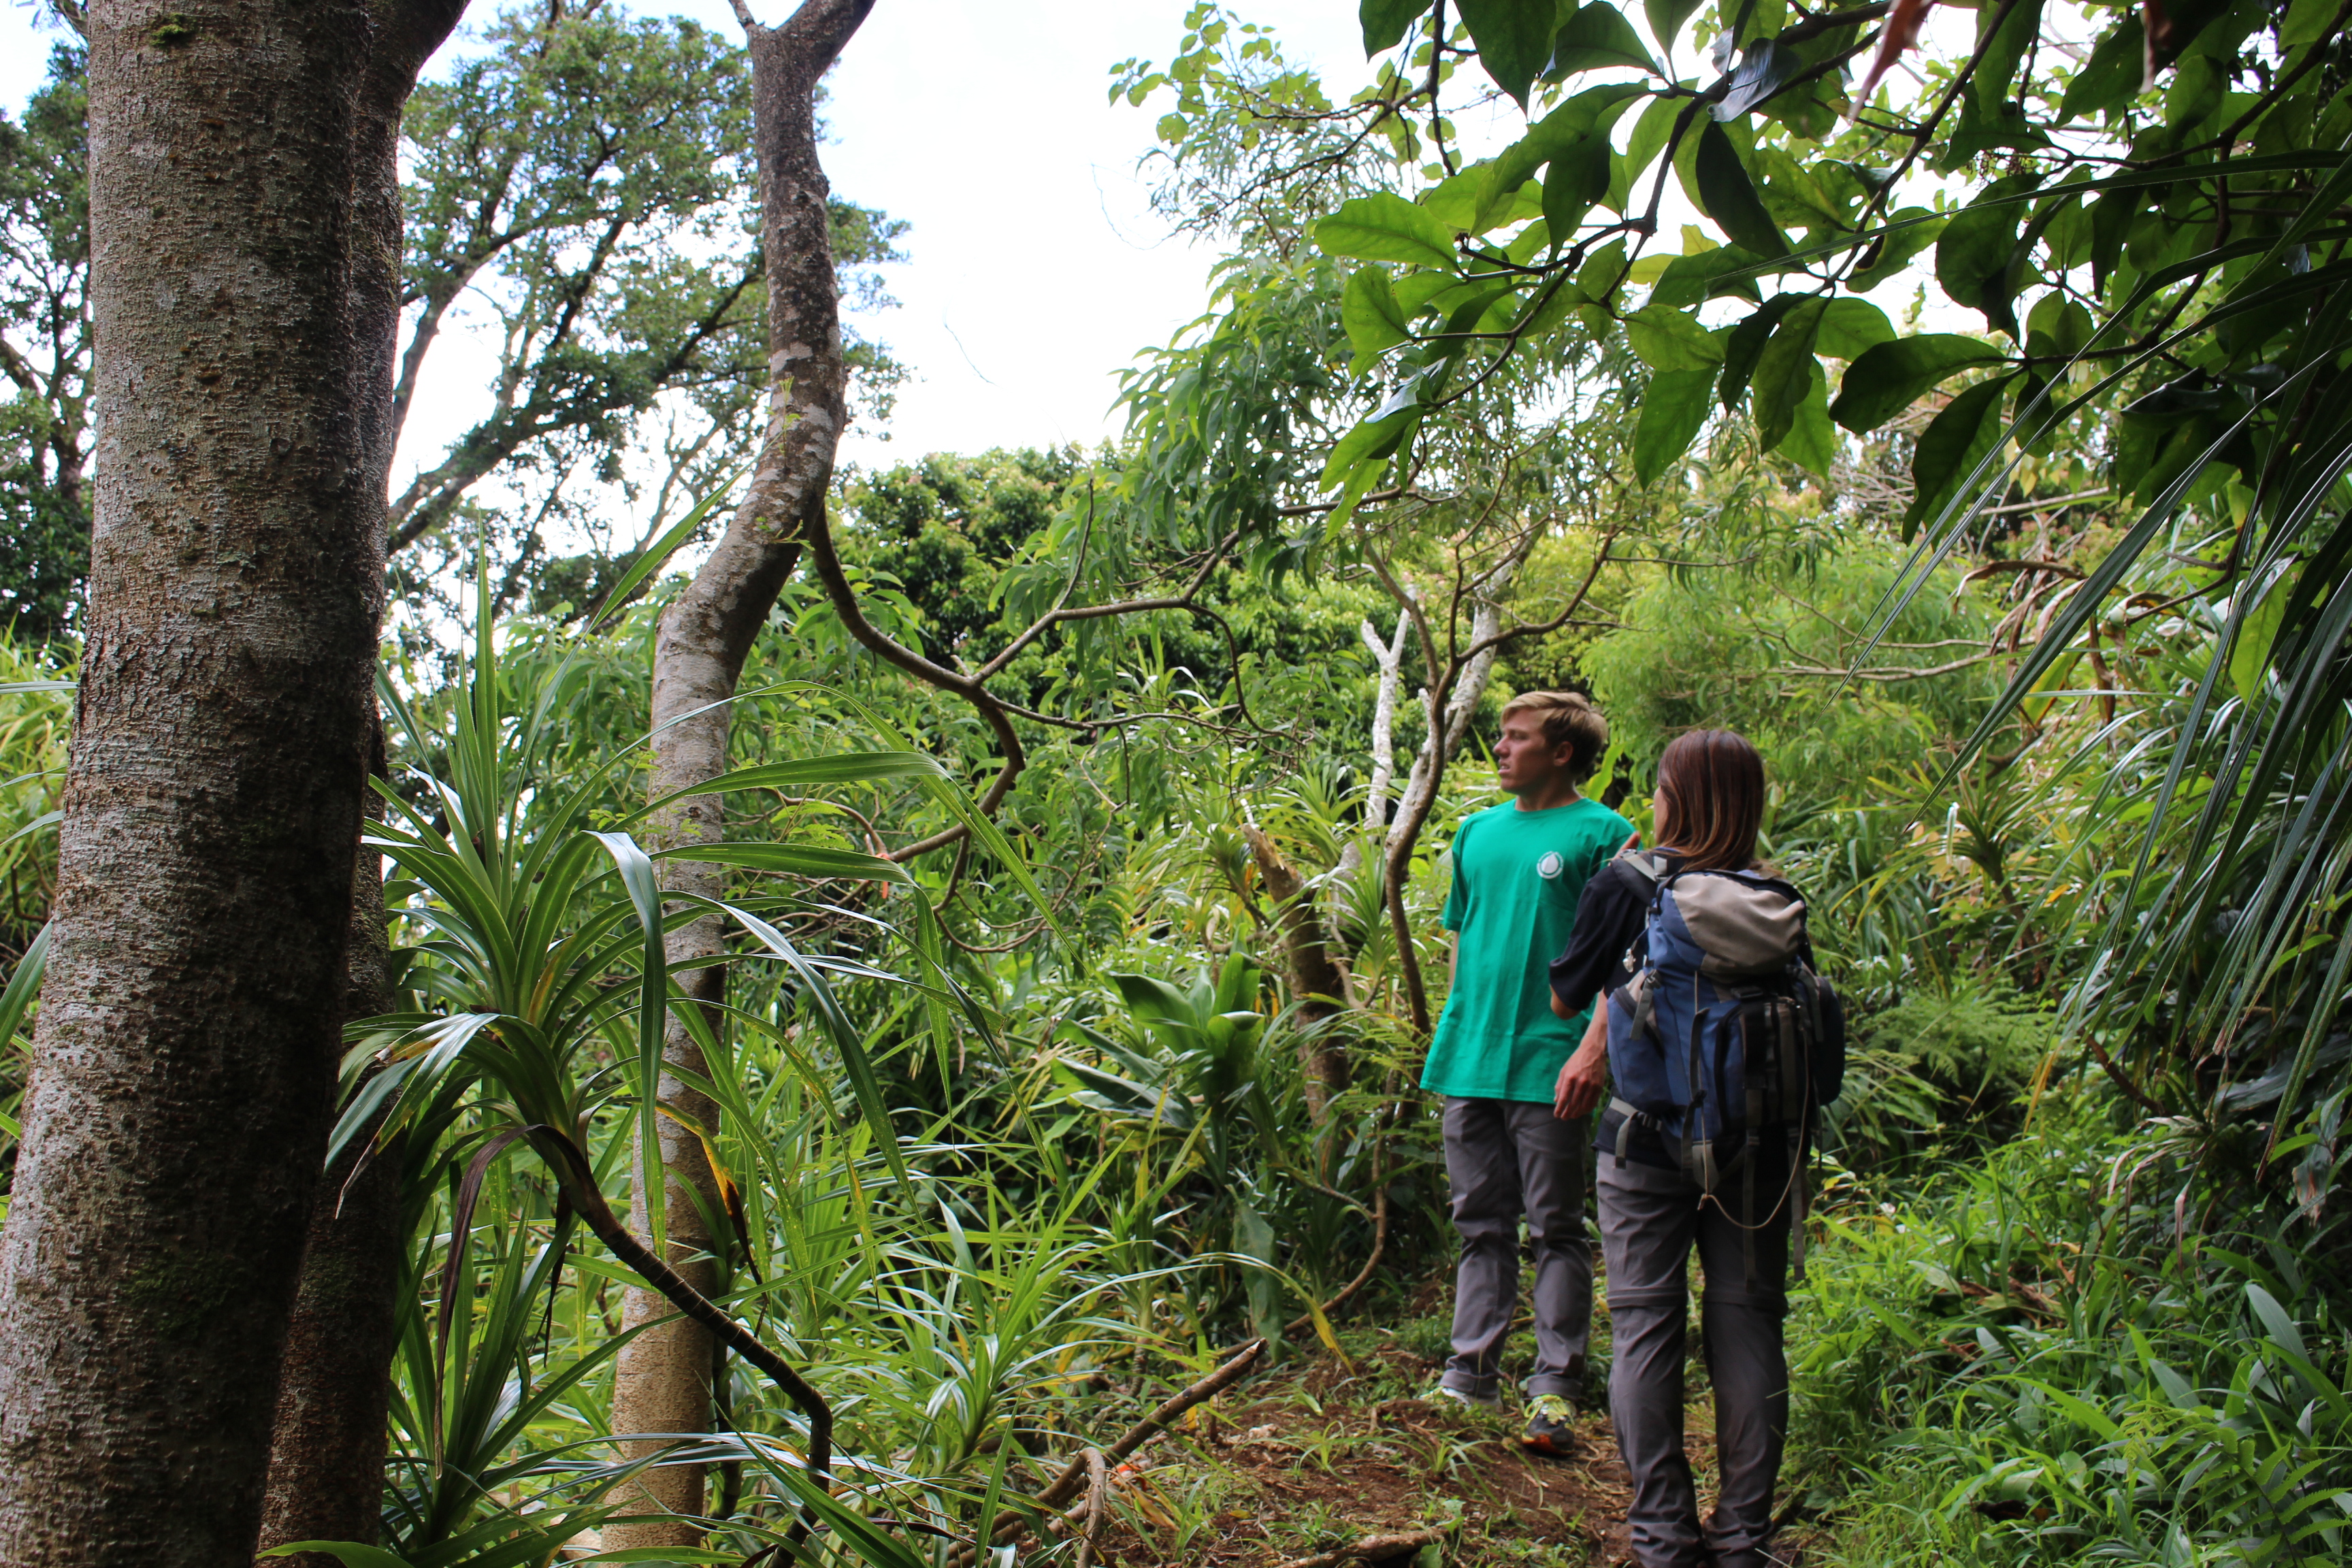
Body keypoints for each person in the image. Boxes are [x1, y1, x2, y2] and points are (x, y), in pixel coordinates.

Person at [1548, 729, 1814, 1568]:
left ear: (1673, 800)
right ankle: (1742, 1539)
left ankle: (1663, 1537)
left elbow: (1565, 995)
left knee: (1645, 1328)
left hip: (1646, 1142)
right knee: (1750, 1328)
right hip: (1757, 1148)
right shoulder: (1776, 900)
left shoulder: (1630, 881)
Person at [1420, 690, 1633, 1455]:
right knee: (1479, 1224)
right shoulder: (1475, 832)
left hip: (1553, 1062)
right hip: (1471, 1060)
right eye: (1502, 736)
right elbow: (1463, 942)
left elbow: (1627, 960)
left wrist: (1593, 1051)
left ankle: (1555, 1390)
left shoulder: (1608, 836)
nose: (1502, 748)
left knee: (1555, 1228)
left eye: (1517, 738)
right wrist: (1452, 1037)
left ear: (1562, 752)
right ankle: (1468, 1375)